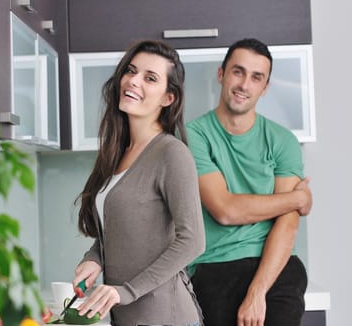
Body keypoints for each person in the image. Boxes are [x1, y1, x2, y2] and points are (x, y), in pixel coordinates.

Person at [72, 40, 205, 326]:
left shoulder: (172, 153)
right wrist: (95, 258)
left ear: (167, 98)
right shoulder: (117, 152)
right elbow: (119, 229)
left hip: (167, 318)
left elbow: (192, 241)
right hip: (126, 319)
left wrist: (126, 292)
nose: (133, 81)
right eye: (131, 71)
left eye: (150, 78)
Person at [186, 38, 313, 326]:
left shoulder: (282, 141)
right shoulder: (193, 136)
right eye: (238, 72)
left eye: (256, 77)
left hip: (276, 264)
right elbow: (225, 210)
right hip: (216, 264)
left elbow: (288, 223)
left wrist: (258, 291)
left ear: (265, 87)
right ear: (221, 74)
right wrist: (297, 199)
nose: (245, 84)